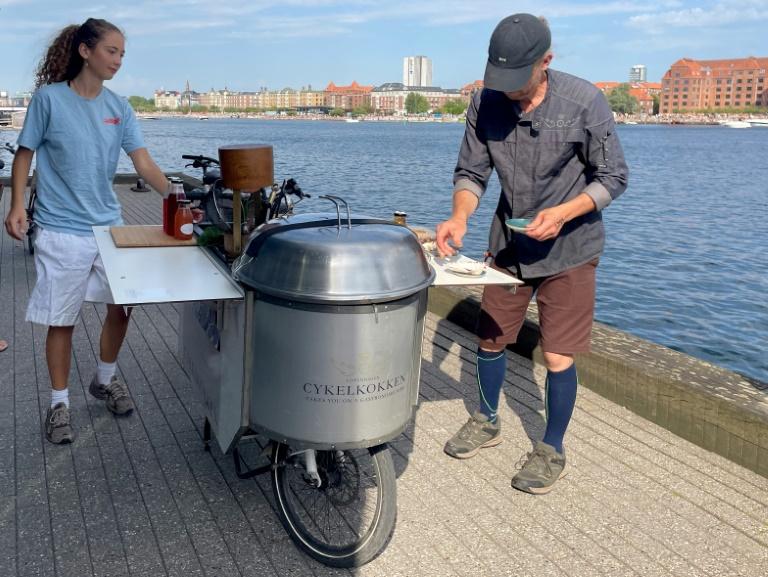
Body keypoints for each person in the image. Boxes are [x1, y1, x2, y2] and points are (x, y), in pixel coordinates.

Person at [436, 14, 628, 494]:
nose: (511, 92)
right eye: (502, 81)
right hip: (509, 246)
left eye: (519, 81)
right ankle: (486, 420)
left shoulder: (585, 101)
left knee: (559, 354)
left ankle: (551, 448)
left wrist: (564, 213)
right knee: (490, 339)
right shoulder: (485, 102)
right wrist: (459, 217)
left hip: (571, 247)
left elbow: (613, 178)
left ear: (546, 61)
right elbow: (471, 172)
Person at [4, 18, 171, 444]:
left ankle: (104, 379)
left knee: (123, 306)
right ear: (85, 51)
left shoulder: (119, 108)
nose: (117, 60)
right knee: (62, 321)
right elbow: (24, 155)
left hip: (109, 226)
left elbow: (144, 163)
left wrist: (180, 196)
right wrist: (17, 204)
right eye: (111, 51)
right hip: (61, 230)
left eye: (121, 55)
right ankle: (59, 404)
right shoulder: (49, 100)